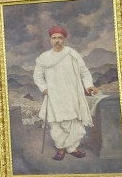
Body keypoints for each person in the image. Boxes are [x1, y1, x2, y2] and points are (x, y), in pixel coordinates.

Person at [33, 26, 99, 161]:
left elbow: (84, 72)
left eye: (60, 38)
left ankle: (73, 148)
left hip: (73, 94)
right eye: (54, 38)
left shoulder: (72, 54)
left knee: (74, 121)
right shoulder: (44, 57)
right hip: (55, 95)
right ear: (50, 40)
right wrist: (44, 89)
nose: (57, 41)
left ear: (64, 39)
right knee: (57, 123)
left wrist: (89, 85)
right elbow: (37, 76)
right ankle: (61, 149)